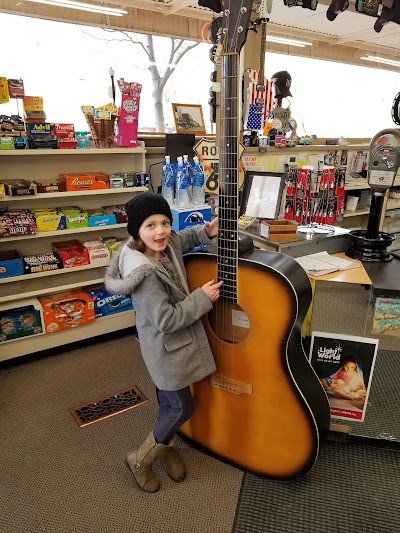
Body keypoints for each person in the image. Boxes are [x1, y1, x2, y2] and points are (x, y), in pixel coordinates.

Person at [104, 192, 222, 493]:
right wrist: (201, 299)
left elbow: (180, 239)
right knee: (182, 408)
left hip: (173, 346)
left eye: (165, 222)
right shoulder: (142, 275)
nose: (160, 231)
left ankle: (167, 445)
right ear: (136, 231)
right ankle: (140, 459)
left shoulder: (163, 246)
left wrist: (206, 231)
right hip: (165, 348)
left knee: (168, 403)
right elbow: (166, 320)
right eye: (151, 225)